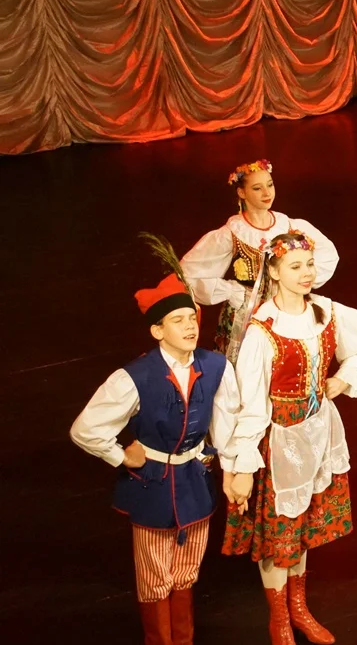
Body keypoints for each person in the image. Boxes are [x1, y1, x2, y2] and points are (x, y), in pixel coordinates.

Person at [217, 231, 357, 645]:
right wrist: (241, 466)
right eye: (295, 266)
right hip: (278, 442)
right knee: (279, 536)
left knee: (302, 525)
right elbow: (251, 404)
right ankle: (279, 619)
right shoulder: (262, 331)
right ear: (274, 272)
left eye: (309, 264)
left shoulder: (326, 312)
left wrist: (344, 378)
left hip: (318, 432)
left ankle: (299, 608)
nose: (306, 273)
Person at [70, 267, 240, 645]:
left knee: (186, 572)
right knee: (154, 577)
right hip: (152, 487)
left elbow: (228, 419)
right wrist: (120, 456)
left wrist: (225, 463)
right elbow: (85, 429)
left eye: (192, 318)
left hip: (195, 484)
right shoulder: (136, 376)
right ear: (157, 331)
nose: (190, 326)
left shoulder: (215, 366)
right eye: (177, 320)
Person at [180, 159, 339, 362]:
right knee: (246, 362)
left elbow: (328, 255)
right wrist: (229, 291)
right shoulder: (232, 232)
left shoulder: (289, 226)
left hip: (284, 306)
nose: (266, 193)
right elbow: (189, 271)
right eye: (257, 188)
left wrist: (297, 281)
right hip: (245, 314)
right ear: (242, 192)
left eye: (270, 185)